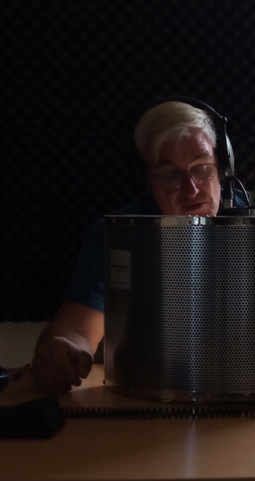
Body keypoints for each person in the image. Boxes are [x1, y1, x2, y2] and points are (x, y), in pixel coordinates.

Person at [31, 99, 229, 392]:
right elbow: (77, 328)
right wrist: (63, 350)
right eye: (170, 174)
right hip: (149, 394)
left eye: (201, 168)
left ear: (222, 166)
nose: (191, 190)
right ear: (147, 179)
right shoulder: (118, 235)